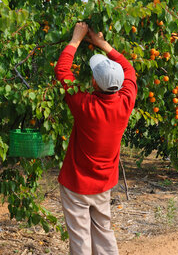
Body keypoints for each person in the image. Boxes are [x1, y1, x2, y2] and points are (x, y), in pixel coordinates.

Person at [54, 22, 137, 255]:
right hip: (103, 184)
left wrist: (76, 39)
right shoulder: (126, 101)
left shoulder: (85, 105)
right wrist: (102, 44)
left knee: (81, 238)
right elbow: (129, 70)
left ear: (93, 83)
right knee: (104, 233)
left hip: (77, 184)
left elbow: (62, 72)